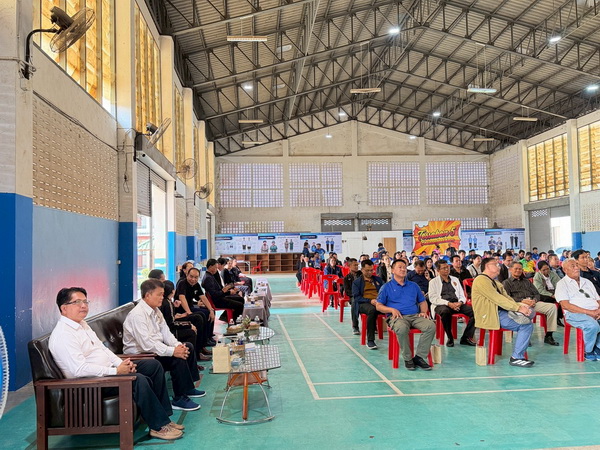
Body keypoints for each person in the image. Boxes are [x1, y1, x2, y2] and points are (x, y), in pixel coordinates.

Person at [48, 287, 185, 441]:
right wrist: (116, 372)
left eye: (85, 301)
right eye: (77, 302)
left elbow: (103, 349)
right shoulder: (64, 335)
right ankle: (158, 427)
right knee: (138, 380)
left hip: (106, 373)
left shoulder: (82, 325)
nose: (83, 306)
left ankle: (164, 417)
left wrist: (123, 364)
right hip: (88, 384)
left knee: (153, 366)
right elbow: (79, 370)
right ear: (64, 308)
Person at [123, 279, 203, 411]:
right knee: (176, 358)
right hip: (141, 355)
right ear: (147, 295)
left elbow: (166, 332)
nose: (162, 297)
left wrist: (177, 346)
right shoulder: (137, 315)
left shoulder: (155, 311)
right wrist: (173, 351)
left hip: (154, 350)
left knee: (186, 347)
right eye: (159, 294)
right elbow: (147, 345)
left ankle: (188, 388)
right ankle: (179, 399)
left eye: (163, 294)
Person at [471, 258, 535, 367]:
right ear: (487, 266)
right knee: (526, 325)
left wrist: (520, 305)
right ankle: (516, 357)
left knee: (530, 312)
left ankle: (520, 348)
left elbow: (507, 298)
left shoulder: (495, 282)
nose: (499, 267)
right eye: (495, 264)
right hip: (491, 315)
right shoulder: (481, 280)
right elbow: (497, 298)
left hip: (500, 312)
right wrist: (518, 308)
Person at [376, 259, 435, 371]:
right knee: (402, 328)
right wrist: (391, 309)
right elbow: (378, 306)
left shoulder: (413, 286)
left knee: (430, 326)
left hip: (414, 316)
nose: (403, 269)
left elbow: (422, 301)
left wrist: (423, 312)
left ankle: (419, 357)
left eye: (404, 267)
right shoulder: (386, 287)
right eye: (400, 267)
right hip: (397, 317)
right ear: (392, 270)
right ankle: (408, 359)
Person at [502, 261, 560, 346]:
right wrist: (522, 300)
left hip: (532, 302)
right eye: (516, 269)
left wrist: (534, 300)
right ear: (510, 269)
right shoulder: (506, 283)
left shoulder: (527, 281)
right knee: (526, 310)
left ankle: (549, 335)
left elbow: (537, 293)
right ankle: (525, 336)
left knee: (552, 307)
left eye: (520, 269)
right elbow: (507, 297)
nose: (518, 270)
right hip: (519, 304)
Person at [556, 258, 600, 360]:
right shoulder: (562, 284)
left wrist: (598, 311)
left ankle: (597, 347)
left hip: (594, 311)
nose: (577, 268)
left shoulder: (587, 282)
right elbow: (566, 305)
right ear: (565, 270)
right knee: (593, 326)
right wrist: (589, 312)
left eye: (577, 265)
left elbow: (598, 299)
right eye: (573, 266)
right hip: (574, 313)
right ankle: (588, 350)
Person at [161, 280, 212, 362]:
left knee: (200, 316)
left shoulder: (168, 302)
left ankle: (201, 347)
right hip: (169, 331)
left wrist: (179, 314)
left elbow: (168, 318)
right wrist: (189, 325)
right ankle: (195, 356)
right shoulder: (166, 303)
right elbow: (171, 324)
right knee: (192, 329)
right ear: (173, 291)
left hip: (169, 327)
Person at [429, 260, 476, 347]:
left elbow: (462, 295)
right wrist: (448, 303)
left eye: (447, 267)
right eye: (444, 268)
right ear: (438, 270)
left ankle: (466, 337)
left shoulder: (455, 279)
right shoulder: (433, 282)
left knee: (476, 312)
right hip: (442, 304)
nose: (447, 269)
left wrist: (460, 302)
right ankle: (450, 337)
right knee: (445, 312)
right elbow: (433, 298)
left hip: (456, 303)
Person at [174, 267, 216, 346]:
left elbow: (203, 297)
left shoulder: (196, 285)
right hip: (181, 310)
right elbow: (182, 298)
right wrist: (189, 313)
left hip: (191, 307)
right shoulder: (182, 283)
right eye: (191, 276)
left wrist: (211, 309)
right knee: (201, 315)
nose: (193, 279)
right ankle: (202, 343)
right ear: (187, 275)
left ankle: (208, 337)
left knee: (210, 312)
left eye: (196, 277)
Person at [352, 260, 385, 349]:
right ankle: (370, 340)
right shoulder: (357, 282)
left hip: (379, 302)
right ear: (362, 270)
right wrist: (370, 301)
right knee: (372, 310)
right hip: (364, 303)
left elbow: (385, 291)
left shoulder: (378, 280)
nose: (370, 272)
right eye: (367, 270)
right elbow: (357, 298)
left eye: (371, 270)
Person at [533, 261, 564, 326]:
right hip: (543, 293)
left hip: (554, 291)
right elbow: (540, 290)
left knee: (562, 298)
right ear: (539, 270)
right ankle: (555, 318)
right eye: (544, 270)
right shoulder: (537, 276)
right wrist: (551, 295)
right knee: (550, 299)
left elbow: (559, 284)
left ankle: (558, 317)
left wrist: (557, 293)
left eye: (547, 269)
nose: (546, 271)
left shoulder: (552, 273)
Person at [343, 258, 361, 335]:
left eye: (357, 265)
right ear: (349, 266)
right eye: (354, 265)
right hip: (354, 296)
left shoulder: (362, 275)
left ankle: (374, 327)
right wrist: (355, 294)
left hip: (364, 295)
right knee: (354, 303)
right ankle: (355, 327)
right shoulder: (347, 278)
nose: (356, 267)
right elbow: (347, 291)